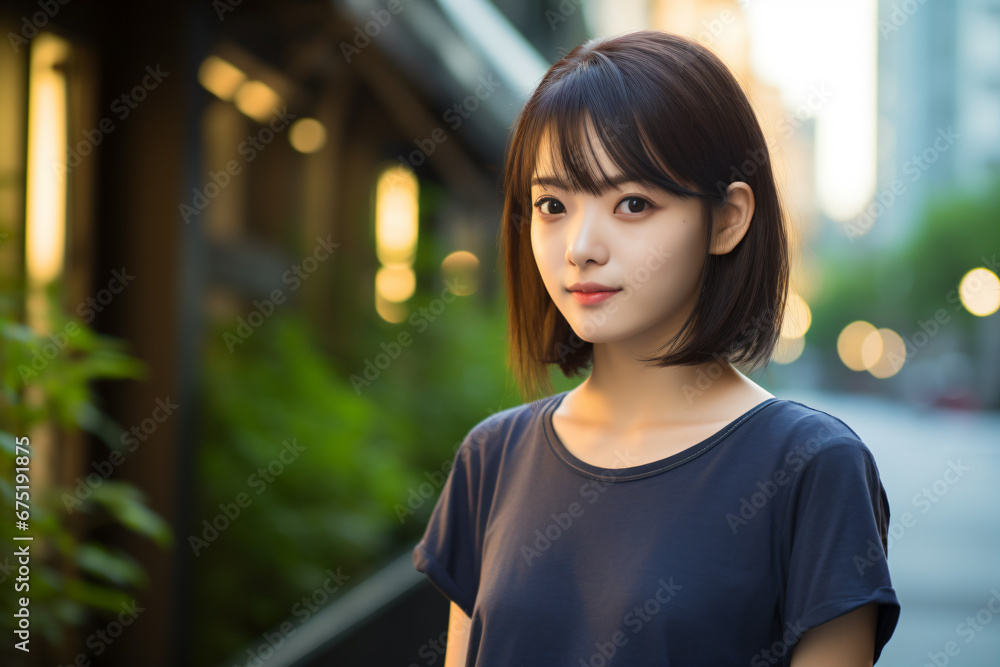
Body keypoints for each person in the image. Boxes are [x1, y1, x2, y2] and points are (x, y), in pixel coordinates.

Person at [412, 29, 899, 666]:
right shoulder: (492, 458)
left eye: (633, 203)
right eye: (552, 204)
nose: (580, 245)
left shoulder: (811, 468)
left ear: (727, 220)